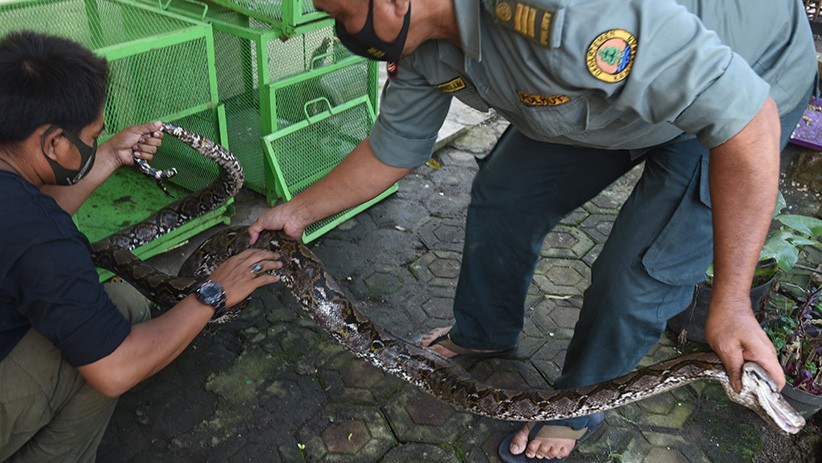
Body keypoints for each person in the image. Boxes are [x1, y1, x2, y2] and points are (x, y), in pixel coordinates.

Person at [248, 0, 817, 461]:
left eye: (338, 12)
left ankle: (577, 408)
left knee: (635, 279)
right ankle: (484, 333)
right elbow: (392, 148)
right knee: (505, 195)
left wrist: (732, 302)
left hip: (740, 88)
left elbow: (746, 121)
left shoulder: (565, 13)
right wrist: (296, 214)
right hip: (612, 96)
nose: (337, 26)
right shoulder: (422, 40)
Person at [0, 31, 283, 462]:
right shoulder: (44, 237)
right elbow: (115, 369)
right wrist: (214, 293)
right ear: (54, 143)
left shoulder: (21, 207)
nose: (95, 144)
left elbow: (25, 222)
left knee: (121, 303)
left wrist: (112, 155)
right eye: (93, 137)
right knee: (107, 340)